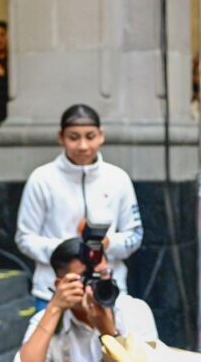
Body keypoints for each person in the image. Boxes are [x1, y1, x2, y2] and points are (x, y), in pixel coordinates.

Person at [16, 104, 144, 314]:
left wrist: (108, 244)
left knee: (110, 345)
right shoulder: (42, 179)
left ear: (101, 136)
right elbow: (25, 238)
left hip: (107, 289)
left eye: (90, 136)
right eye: (73, 137)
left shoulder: (118, 179)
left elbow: (135, 235)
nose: (83, 145)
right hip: (54, 291)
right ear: (61, 137)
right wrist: (69, 251)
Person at [10, 239, 157, 362]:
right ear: (61, 285)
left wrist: (108, 332)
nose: (97, 284)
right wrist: (54, 308)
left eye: (102, 274)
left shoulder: (134, 310)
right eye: (87, 278)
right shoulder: (49, 318)